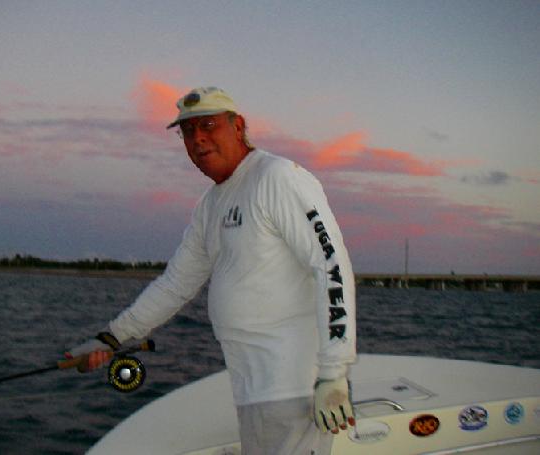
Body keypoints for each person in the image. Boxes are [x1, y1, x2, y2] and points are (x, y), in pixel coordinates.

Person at [67, 86, 357, 454]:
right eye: (188, 131)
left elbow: (331, 265)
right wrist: (111, 337)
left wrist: (334, 373)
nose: (198, 138)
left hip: (295, 386)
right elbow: (175, 284)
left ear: (238, 127)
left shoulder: (278, 177)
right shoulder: (211, 204)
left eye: (208, 125)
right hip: (252, 389)